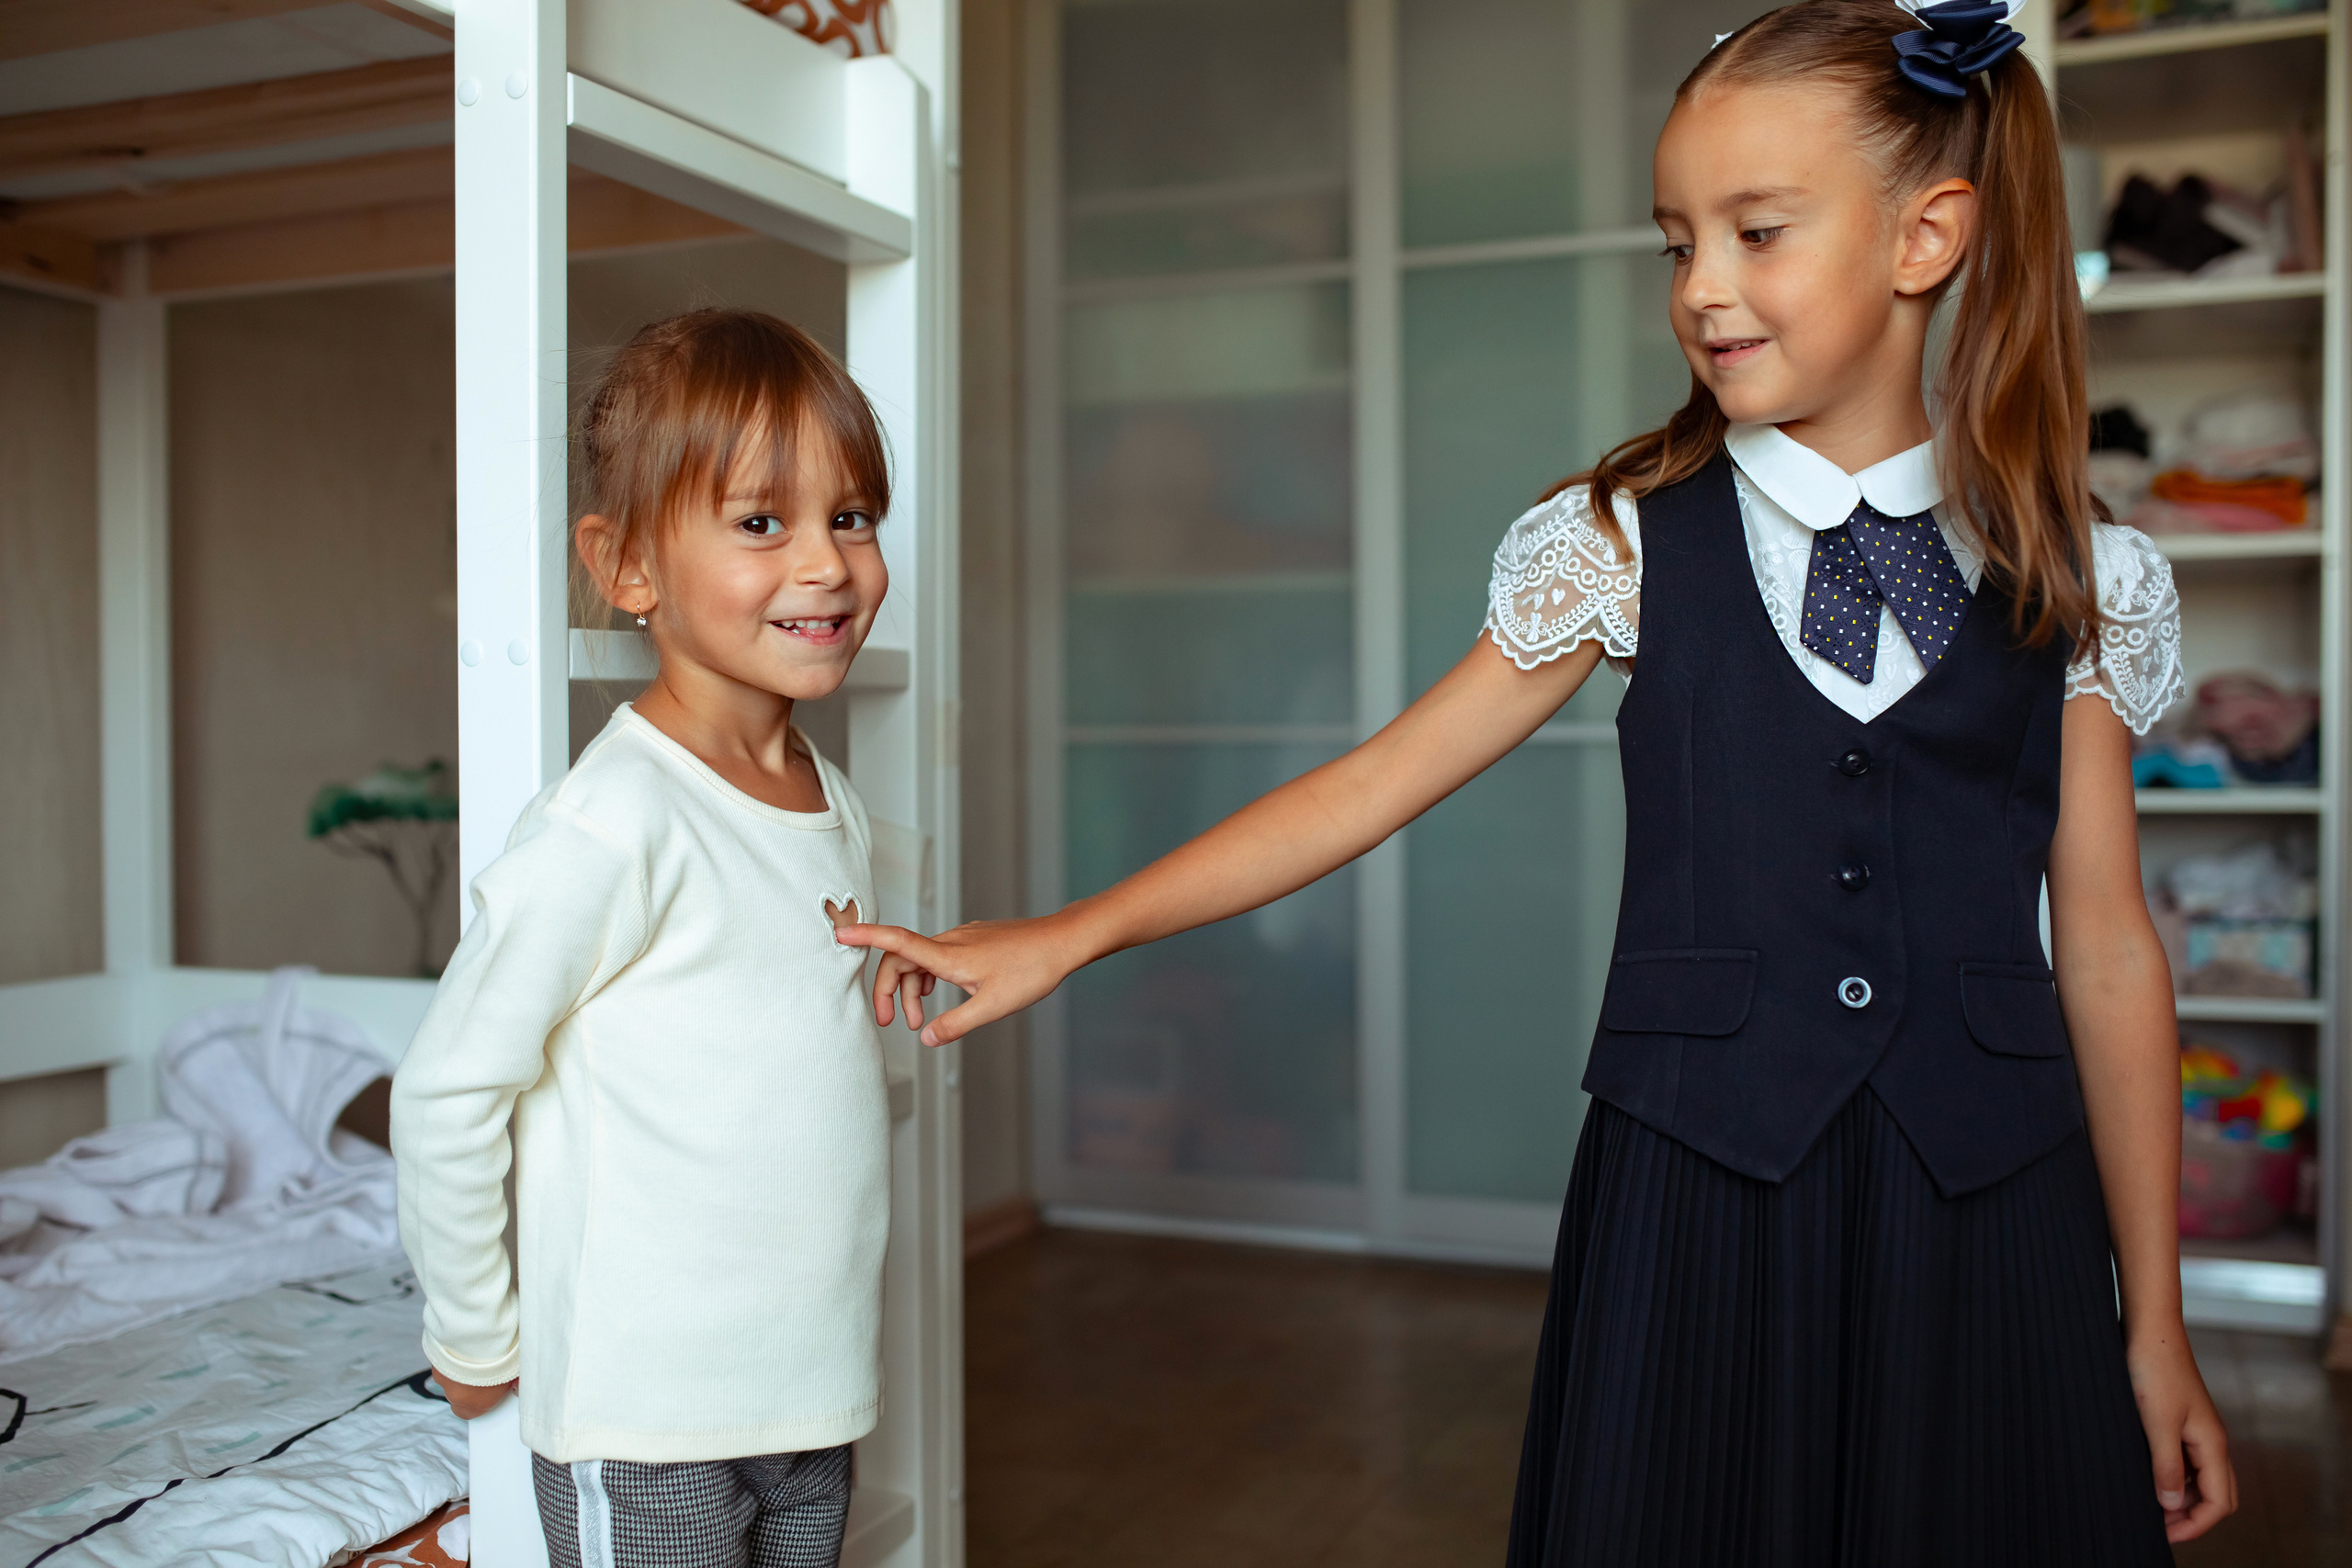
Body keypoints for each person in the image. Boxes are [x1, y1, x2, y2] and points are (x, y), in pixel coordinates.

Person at [840, 1, 2235, 1559]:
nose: (1702, 288)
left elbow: (2105, 945)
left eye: (1756, 233)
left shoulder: (2084, 571)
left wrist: (2156, 1322)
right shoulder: (1624, 537)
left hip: (1995, 1211)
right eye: (1675, 243)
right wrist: (1073, 933)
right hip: (1705, 1199)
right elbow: (1367, 786)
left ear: (1928, 237)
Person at [392, 309, 910, 1568]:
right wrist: (473, 1340)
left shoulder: (825, 795)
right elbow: (449, 1090)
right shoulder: (612, 822)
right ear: (627, 567)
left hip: (813, 1390)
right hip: (652, 1411)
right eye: (759, 522)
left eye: (851, 517)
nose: (829, 564)